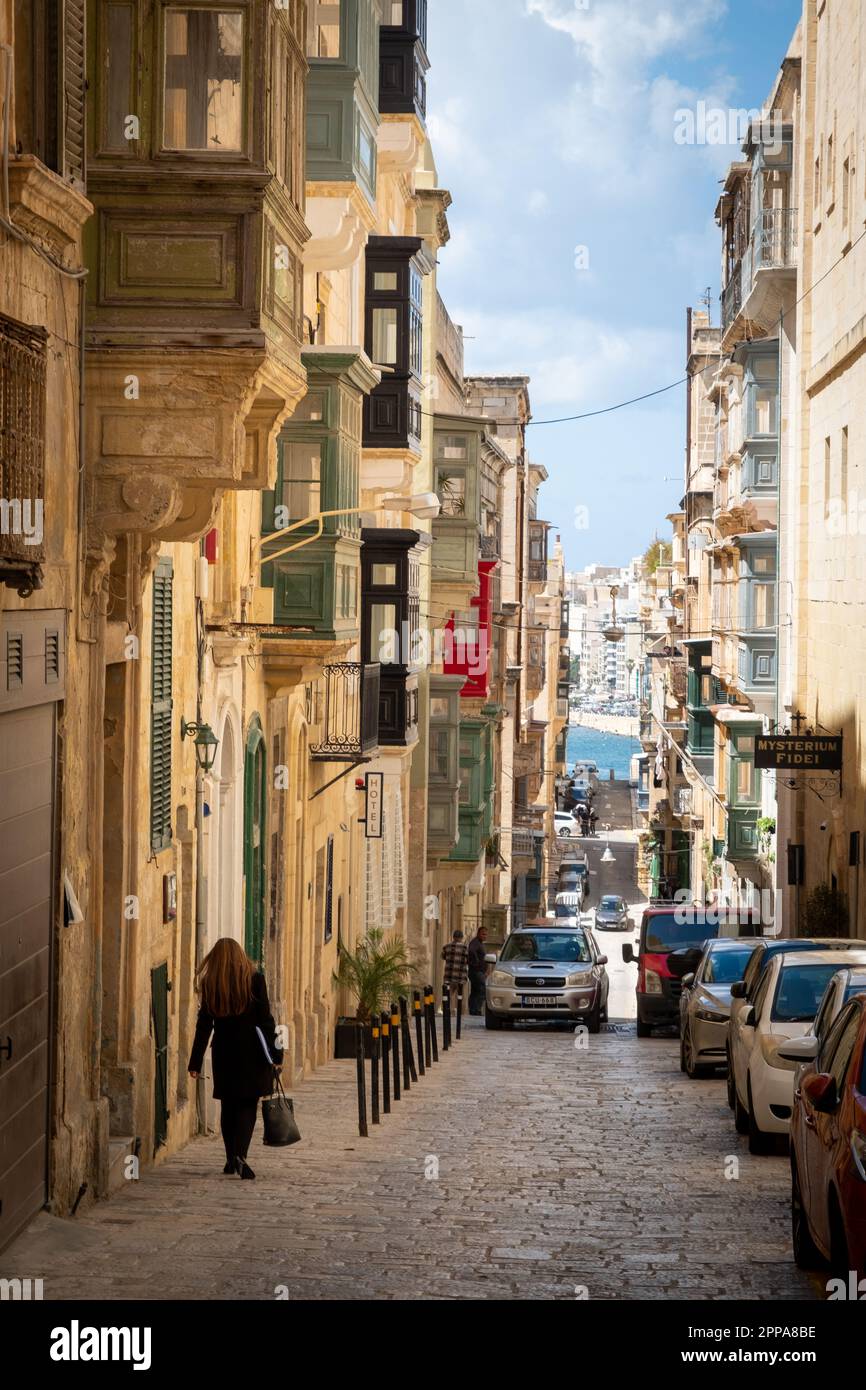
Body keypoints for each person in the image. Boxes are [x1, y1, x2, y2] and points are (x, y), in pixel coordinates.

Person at [187, 937, 283, 1180]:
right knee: (247, 1105)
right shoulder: (255, 980)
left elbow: (204, 1026)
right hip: (252, 1053)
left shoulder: (212, 983)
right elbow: (266, 1020)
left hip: (224, 1052)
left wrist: (195, 1062)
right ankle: (241, 1154)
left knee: (229, 1105)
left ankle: (231, 1157)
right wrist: (276, 1054)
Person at [441, 929, 469, 1008]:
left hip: (449, 976)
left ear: (453, 937)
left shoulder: (446, 947)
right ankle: (460, 1012)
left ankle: (448, 1010)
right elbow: (469, 960)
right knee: (461, 995)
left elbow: (443, 957)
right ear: (462, 937)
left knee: (448, 994)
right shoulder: (465, 948)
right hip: (461, 976)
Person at [467, 927, 489, 1016]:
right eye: (483, 934)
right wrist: (477, 964)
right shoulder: (475, 943)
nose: (485, 936)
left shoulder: (480, 943)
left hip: (479, 971)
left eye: (486, 934)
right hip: (476, 972)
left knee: (475, 991)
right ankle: (476, 1009)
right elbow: (471, 951)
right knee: (482, 989)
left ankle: (473, 1010)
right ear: (478, 934)